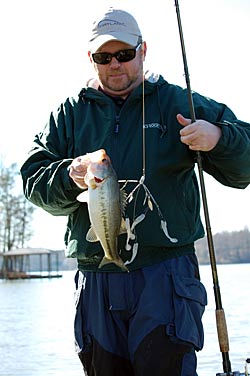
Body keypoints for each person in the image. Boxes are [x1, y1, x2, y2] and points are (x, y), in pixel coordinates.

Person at [20, 6, 250, 376]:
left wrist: (219, 138)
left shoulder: (178, 102)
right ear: (91, 59)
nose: (115, 65)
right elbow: (33, 179)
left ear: (143, 51)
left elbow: (245, 167)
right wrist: (67, 174)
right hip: (96, 277)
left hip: (166, 274)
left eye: (125, 54)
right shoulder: (69, 114)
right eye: (104, 57)